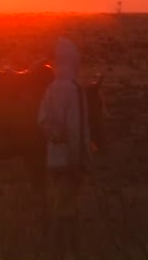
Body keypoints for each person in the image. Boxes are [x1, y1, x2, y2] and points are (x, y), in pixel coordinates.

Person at [38, 36, 91, 260]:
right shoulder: (74, 90)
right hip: (70, 160)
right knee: (70, 207)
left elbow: (41, 120)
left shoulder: (50, 89)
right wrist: (79, 160)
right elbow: (75, 129)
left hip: (53, 159)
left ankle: (58, 248)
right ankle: (68, 250)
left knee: (58, 202)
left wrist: (54, 136)